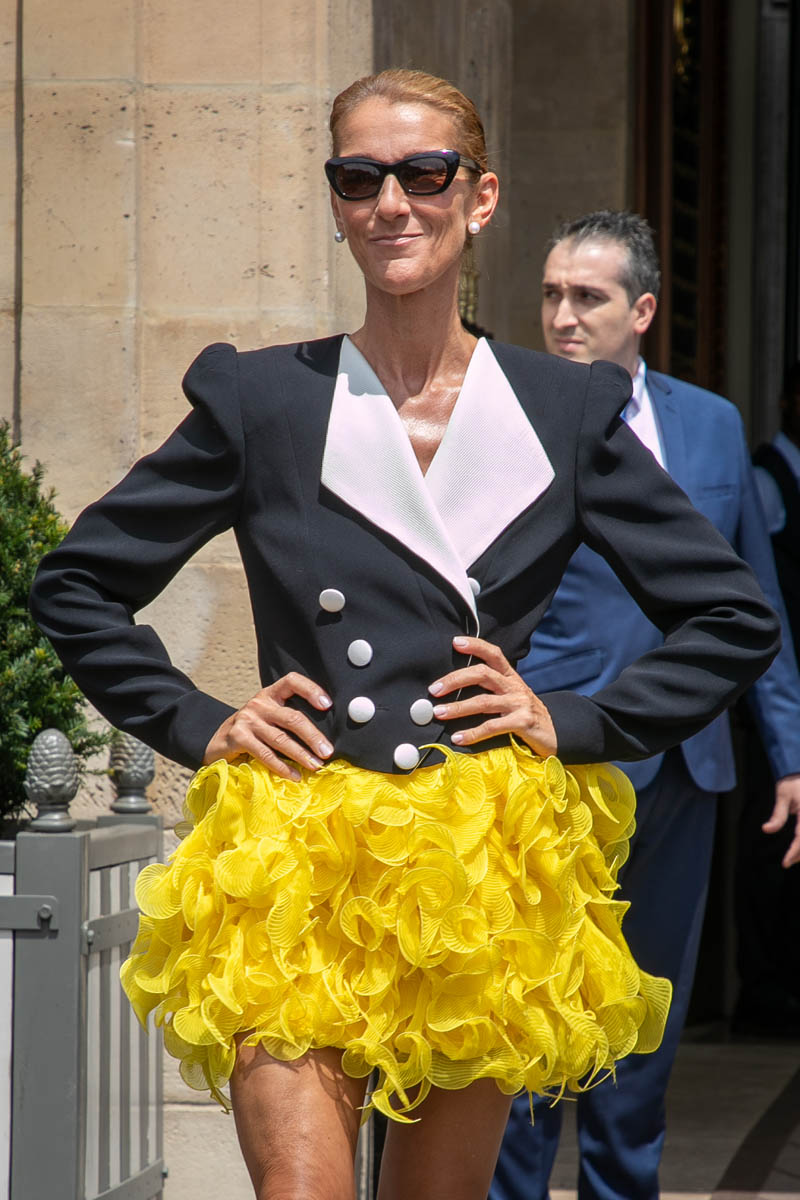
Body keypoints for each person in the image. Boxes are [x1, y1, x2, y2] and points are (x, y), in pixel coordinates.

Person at [29, 82, 780, 1200]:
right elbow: (79, 582)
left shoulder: (563, 409)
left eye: (423, 174)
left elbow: (732, 616)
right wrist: (198, 719)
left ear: (479, 198)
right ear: (336, 203)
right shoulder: (262, 398)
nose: (391, 202)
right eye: (359, 177)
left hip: (475, 862)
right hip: (295, 852)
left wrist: (574, 719)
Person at [491, 210, 800, 1200]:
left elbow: (751, 597)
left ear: (643, 311)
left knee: (648, 1014)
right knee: (531, 1012)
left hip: (685, 764)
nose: (563, 316)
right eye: (550, 294)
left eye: (587, 297)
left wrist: (789, 753)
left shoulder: (709, 425)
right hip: (551, 755)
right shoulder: (504, 415)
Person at [733, 362, 800, 1034]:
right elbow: (762, 601)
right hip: (765, 700)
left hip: (786, 698)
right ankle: (762, 990)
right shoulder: (766, 481)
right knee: (767, 844)